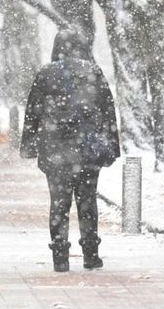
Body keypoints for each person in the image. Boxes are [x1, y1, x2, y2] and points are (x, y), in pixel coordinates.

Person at [20, 29, 120, 272]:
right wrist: (112, 147)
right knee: (87, 202)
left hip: (56, 151)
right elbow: (108, 111)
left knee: (59, 204)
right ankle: (90, 254)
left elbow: (33, 111)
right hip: (88, 151)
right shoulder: (93, 72)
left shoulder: (46, 74)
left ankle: (60, 257)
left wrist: (29, 145)